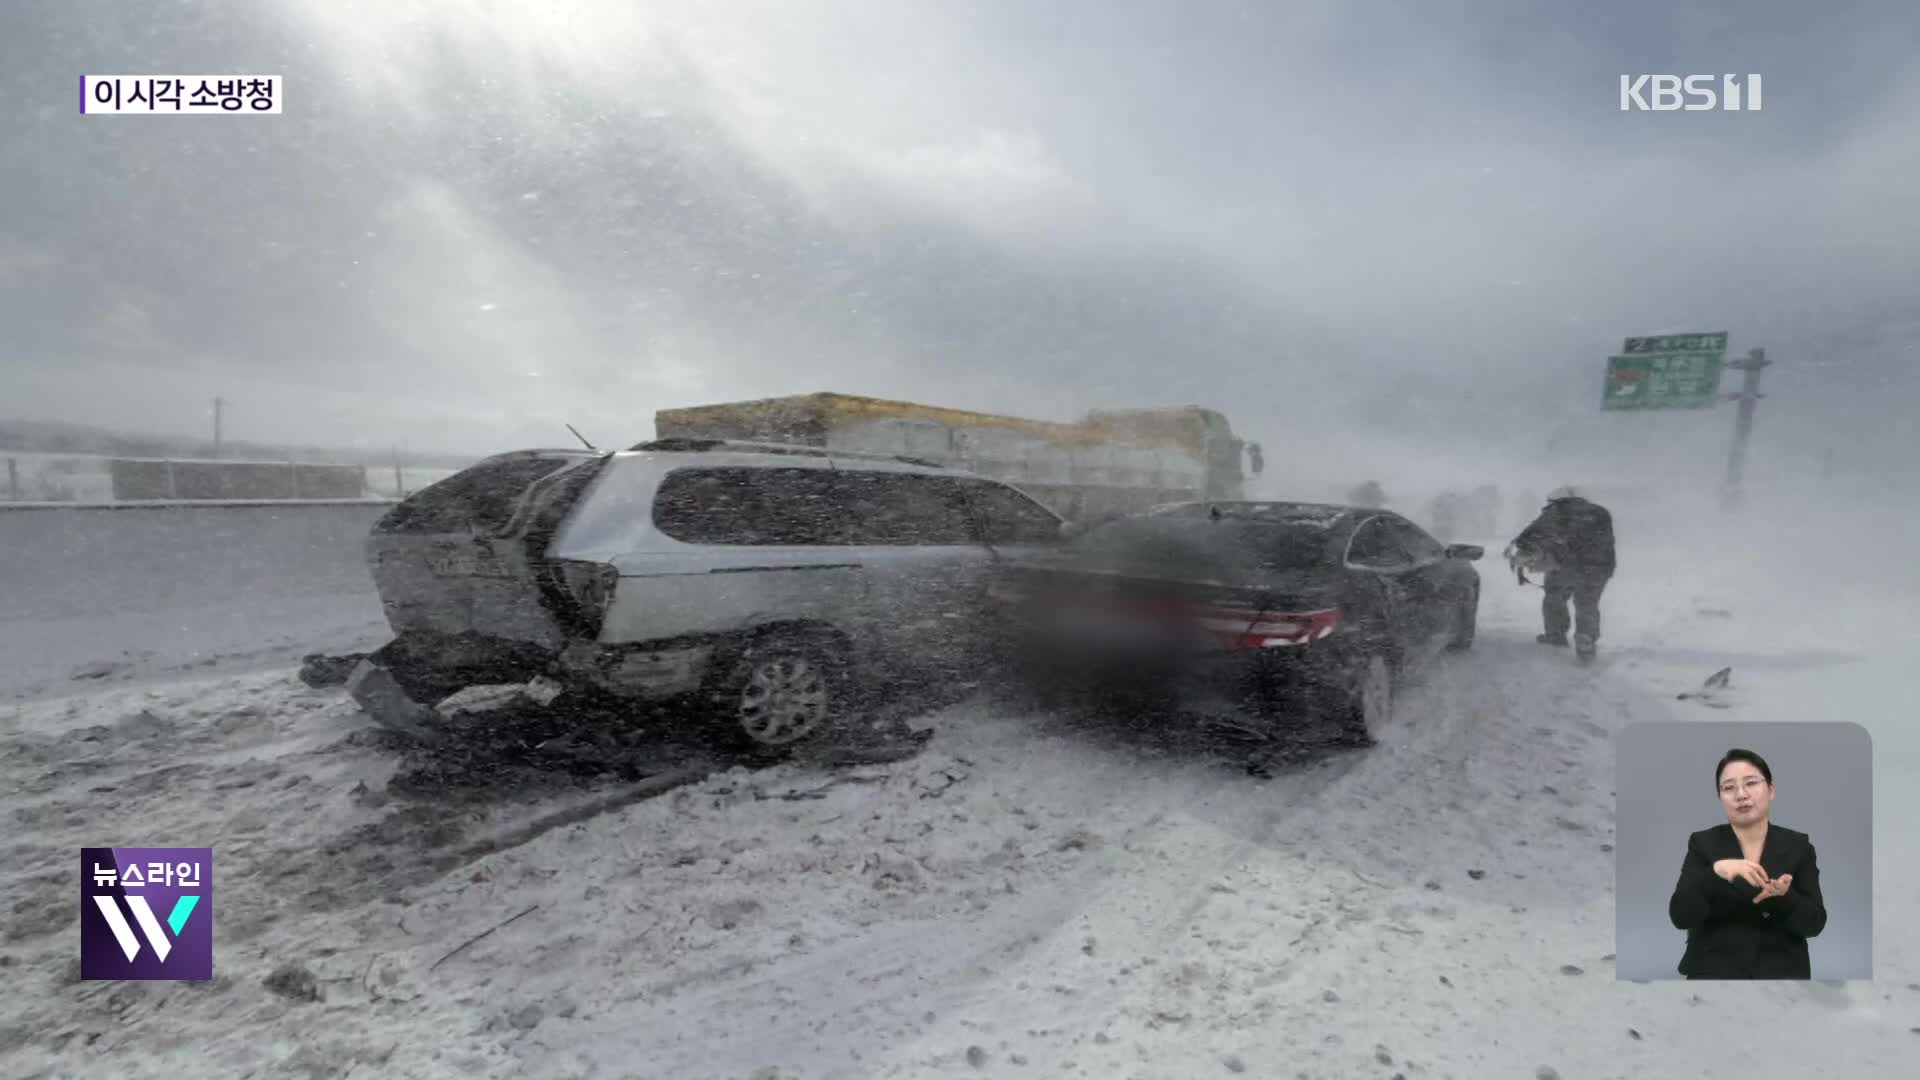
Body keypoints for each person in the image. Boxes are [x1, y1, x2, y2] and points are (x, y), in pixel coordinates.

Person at [1667, 748, 1827, 979]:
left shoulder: (1799, 846)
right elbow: (1680, 916)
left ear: (1771, 790)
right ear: (1720, 797)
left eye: (1751, 783)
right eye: (1729, 788)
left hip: (1782, 973)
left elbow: (1815, 925)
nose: (1741, 795)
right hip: (1714, 971)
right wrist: (1716, 872)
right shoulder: (1702, 843)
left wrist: (1785, 897)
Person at [1508, 486, 1614, 660]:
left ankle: (1555, 635)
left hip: (1567, 565)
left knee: (1554, 596)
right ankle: (1585, 638)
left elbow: (1532, 533)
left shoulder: (1559, 510)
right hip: (1600, 567)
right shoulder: (1601, 512)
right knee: (1587, 603)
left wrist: (1523, 545)